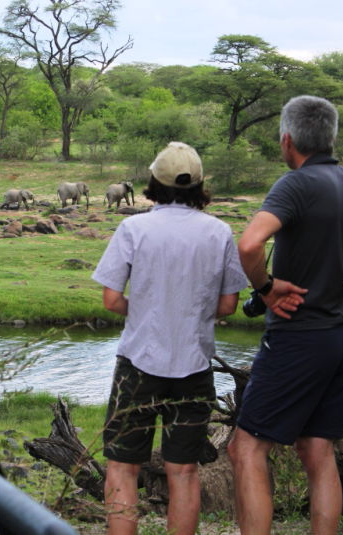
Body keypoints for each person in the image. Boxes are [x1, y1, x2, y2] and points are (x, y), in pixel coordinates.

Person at [228, 95, 343, 535]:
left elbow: (248, 245)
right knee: (317, 451)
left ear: (287, 140)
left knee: (246, 448)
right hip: (340, 338)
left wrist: (266, 287)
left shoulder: (293, 184)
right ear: (332, 137)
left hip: (297, 337)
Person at [92, 141, 248, 535]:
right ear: (199, 185)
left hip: (138, 366)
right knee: (184, 472)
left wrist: (145, 310)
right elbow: (229, 306)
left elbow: (112, 300)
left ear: (153, 182)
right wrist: (191, 313)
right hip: (194, 367)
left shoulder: (133, 227)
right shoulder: (219, 231)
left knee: (122, 468)